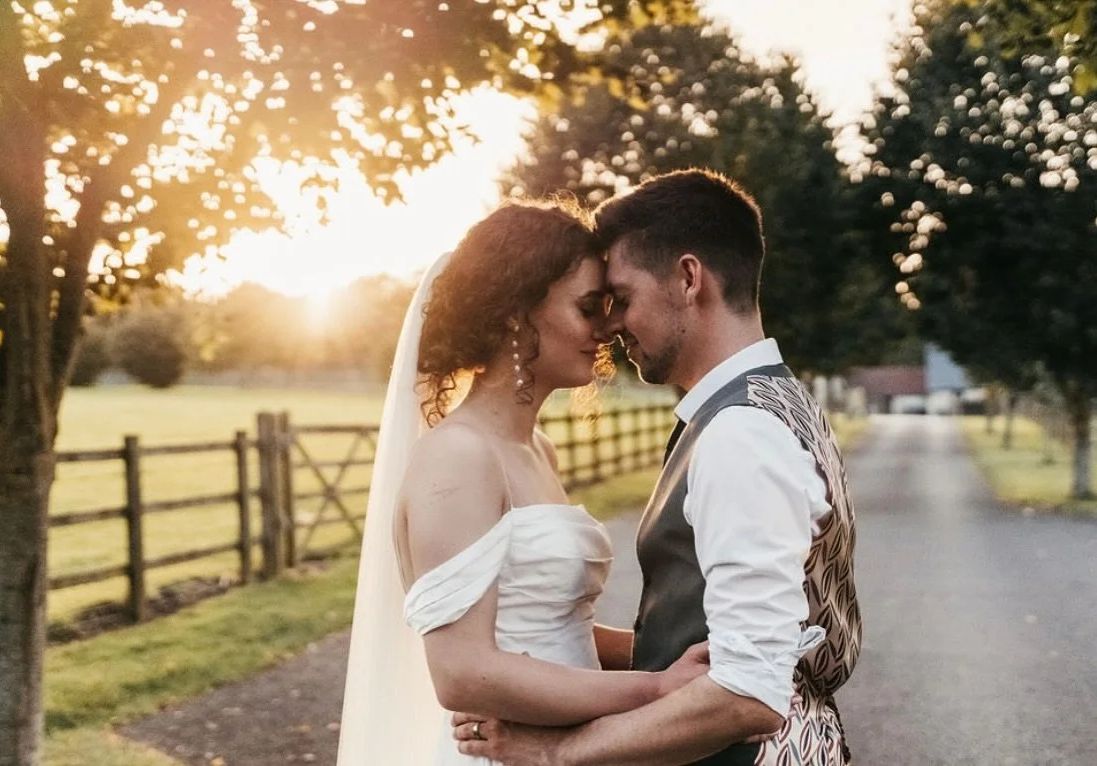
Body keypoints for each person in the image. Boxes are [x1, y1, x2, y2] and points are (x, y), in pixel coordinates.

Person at [453, 169, 863, 765]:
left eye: (622, 297)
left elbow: (748, 695)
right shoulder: (771, 402)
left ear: (689, 279)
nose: (610, 324)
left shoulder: (739, 433)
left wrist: (555, 754)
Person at [335, 199, 711, 766]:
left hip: (561, 745)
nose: (607, 328)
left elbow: (553, 627)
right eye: (589, 307)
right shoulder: (459, 458)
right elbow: (463, 672)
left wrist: (670, 656)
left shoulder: (537, 450)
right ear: (517, 313)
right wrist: (655, 690)